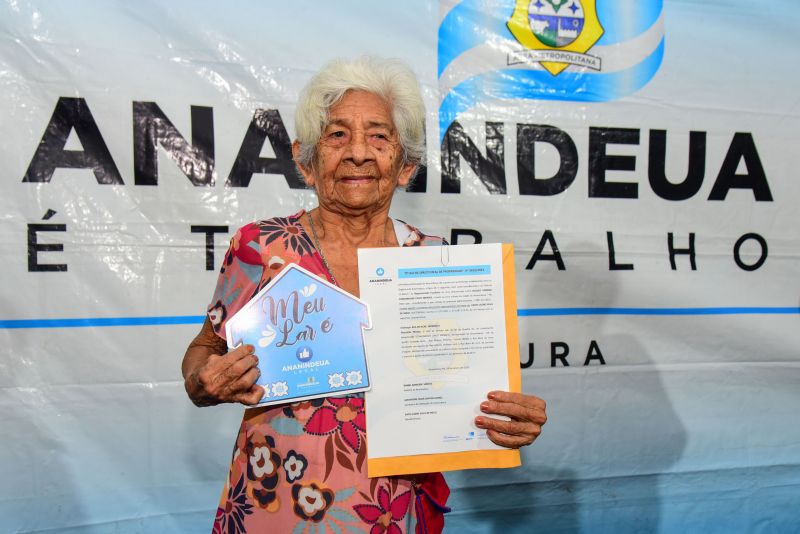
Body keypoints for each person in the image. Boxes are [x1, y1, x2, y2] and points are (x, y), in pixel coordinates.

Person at [182, 56, 547, 533]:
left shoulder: (435, 260)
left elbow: (465, 388)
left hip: (390, 510)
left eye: (379, 136)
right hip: (273, 504)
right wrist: (202, 382)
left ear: (405, 166)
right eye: (336, 135)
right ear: (304, 161)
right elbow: (206, 348)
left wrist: (508, 417)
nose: (358, 152)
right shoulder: (260, 246)